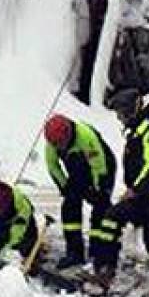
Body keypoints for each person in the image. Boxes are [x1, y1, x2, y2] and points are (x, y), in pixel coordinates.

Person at [90, 89, 149, 297]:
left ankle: (104, 271)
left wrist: (136, 190)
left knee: (111, 219)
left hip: (148, 195)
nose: (120, 118)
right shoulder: (140, 130)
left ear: (133, 110)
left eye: (122, 113)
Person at [43, 113, 116, 270]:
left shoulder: (85, 137)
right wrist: (64, 187)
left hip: (102, 166)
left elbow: (99, 165)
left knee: (101, 207)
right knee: (69, 206)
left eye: (61, 143)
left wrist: (98, 189)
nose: (59, 147)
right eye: (56, 145)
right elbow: (53, 166)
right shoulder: (52, 144)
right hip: (77, 169)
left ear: (68, 134)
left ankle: (99, 250)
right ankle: (74, 252)